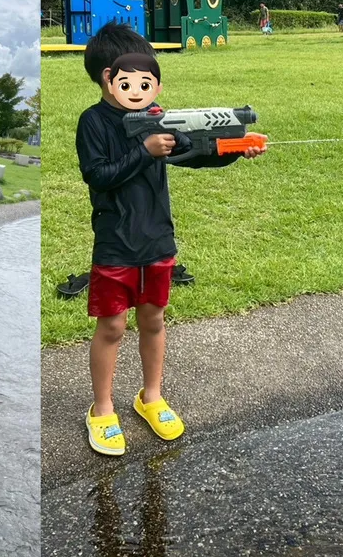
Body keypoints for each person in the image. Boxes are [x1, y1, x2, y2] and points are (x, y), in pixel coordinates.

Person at [76, 23, 266, 456]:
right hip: (115, 244)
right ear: (109, 77)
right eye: (130, 77)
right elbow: (98, 175)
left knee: (154, 321)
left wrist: (236, 150)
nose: (140, 86)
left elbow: (193, 154)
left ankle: (151, 396)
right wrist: (144, 150)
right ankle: (102, 408)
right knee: (112, 326)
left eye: (147, 78)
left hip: (158, 241)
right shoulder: (93, 123)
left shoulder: (156, 115)